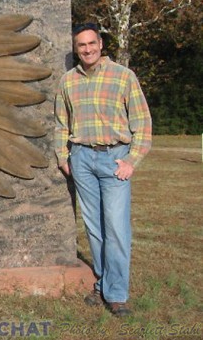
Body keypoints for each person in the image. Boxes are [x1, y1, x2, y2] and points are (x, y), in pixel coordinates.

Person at [54, 23, 152, 317]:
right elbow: (62, 123)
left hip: (114, 158)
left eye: (91, 43)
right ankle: (102, 284)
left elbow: (143, 124)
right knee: (95, 229)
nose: (87, 49)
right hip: (82, 159)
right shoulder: (68, 81)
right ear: (76, 49)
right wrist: (63, 156)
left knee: (117, 228)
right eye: (81, 45)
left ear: (100, 44)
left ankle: (117, 294)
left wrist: (131, 160)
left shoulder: (123, 76)